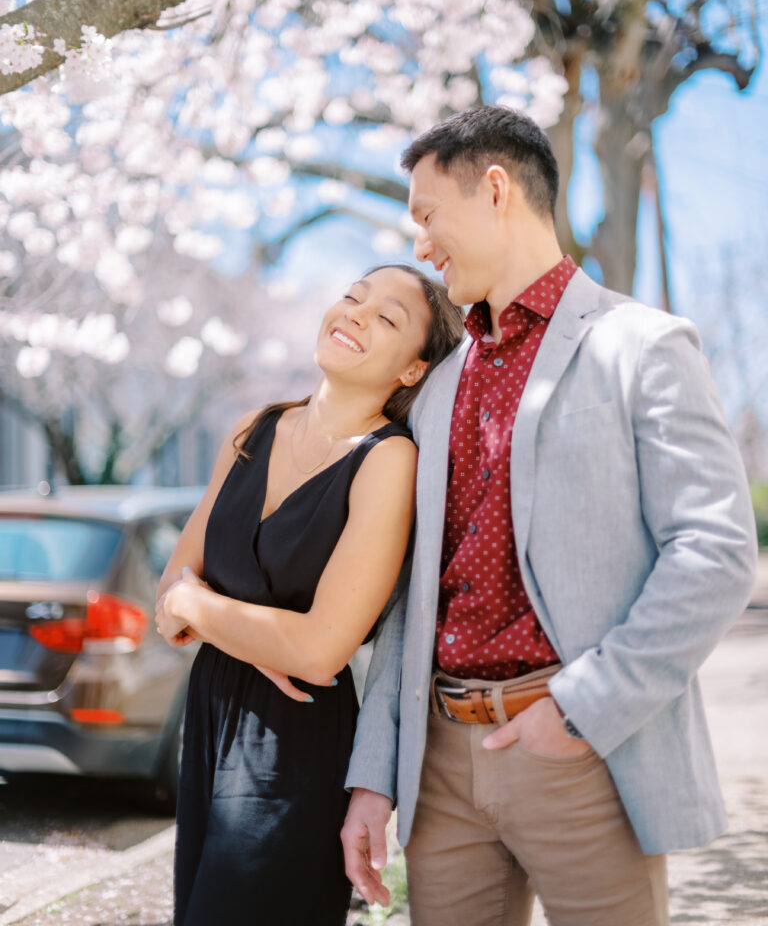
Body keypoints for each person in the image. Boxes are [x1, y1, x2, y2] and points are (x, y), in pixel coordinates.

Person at [341, 105, 758, 926]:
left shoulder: (644, 345)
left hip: (584, 751)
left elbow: (714, 551)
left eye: (428, 216)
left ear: (495, 190)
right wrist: (374, 775)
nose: (420, 244)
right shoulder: (437, 387)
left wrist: (582, 710)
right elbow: (405, 602)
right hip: (440, 768)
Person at [154, 263, 464, 926]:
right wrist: (242, 629)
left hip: (291, 742)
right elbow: (164, 603)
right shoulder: (252, 430)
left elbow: (319, 652)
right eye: (353, 297)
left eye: (386, 318)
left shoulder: (388, 460)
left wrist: (199, 608)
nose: (354, 313)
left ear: (412, 370)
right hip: (209, 725)